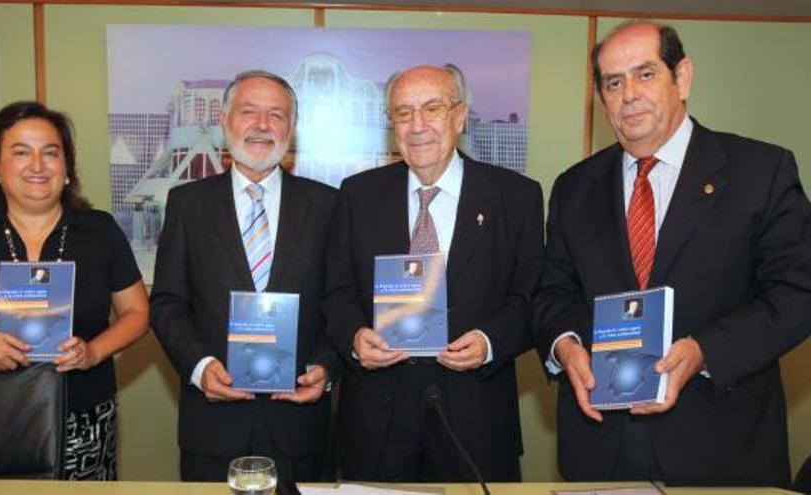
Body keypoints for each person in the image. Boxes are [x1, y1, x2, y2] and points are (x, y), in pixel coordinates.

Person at [535, 21, 811, 487]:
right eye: (613, 82)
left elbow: (798, 292)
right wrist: (566, 344)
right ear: (601, 98)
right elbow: (551, 292)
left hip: (722, 444)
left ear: (681, 78)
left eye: (645, 74)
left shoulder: (761, 171)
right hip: (600, 445)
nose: (629, 95)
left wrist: (705, 351)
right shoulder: (573, 188)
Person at [324, 64, 543, 482]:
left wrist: (489, 340)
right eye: (403, 113)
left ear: (459, 116)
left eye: (432, 108)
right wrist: (354, 336)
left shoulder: (517, 197)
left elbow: (532, 297)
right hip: (376, 423)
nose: (417, 125)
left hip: (476, 421)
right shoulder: (357, 195)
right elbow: (336, 291)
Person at [0, 101, 149, 479]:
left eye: (51, 153)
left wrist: (94, 351)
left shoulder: (99, 231)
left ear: (66, 168)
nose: (37, 165)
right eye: (20, 152)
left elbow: (138, 313)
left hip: (83, 416)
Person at [150, 70, 340, 483]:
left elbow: (341, 300)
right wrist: (199, 368)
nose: (261, 126)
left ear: (291, 129)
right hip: (212, 424)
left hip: (300, 423)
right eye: (249, 112)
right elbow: (167, 303)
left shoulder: (327, 205)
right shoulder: (187, 204)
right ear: (225, 121)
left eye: (277, 115)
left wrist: (326, 368)